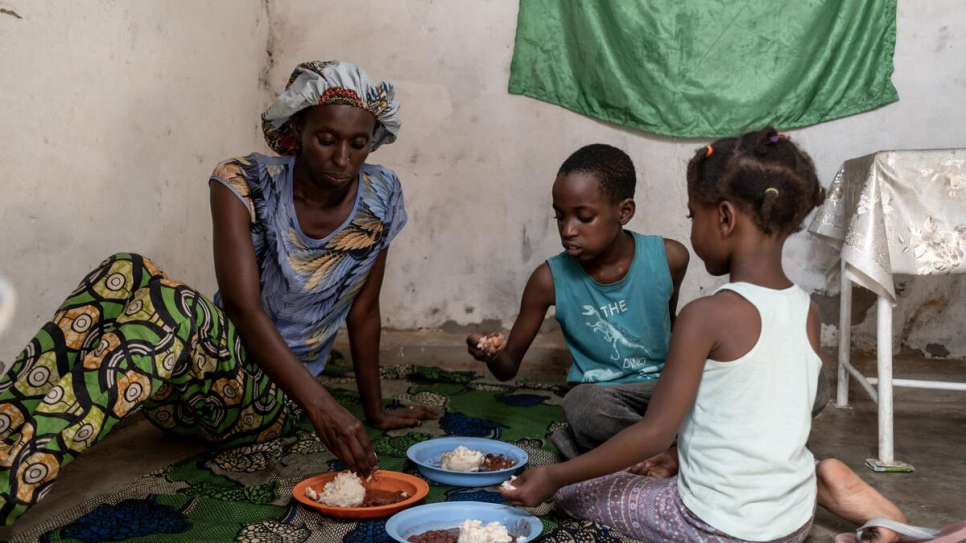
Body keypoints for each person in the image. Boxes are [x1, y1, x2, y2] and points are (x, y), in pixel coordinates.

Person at [0, 60, 436, 526]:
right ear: (296, 130)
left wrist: (373, 409)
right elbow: (244, 310)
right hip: (191, 381)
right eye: (325, 139)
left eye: (359, 143)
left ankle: (8, 484)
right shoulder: (242, 181)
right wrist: (327, 408)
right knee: (125, 269)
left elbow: (364, 312)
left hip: (270, 405)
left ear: (374, 140)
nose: (343, 158)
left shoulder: (381, 195)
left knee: (177, 309)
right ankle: (6, 422)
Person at [500, 127, 906, 543]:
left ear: (725, 218)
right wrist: (676, 453)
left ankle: (656, 476)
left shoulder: (705, 315)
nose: (691, 229)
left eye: (694, 216)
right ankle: (819, 483)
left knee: (572, 494)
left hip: (716, 527)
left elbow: (652, 433)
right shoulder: (808, 311)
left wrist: (552, 477)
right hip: (793, 519)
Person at [466, 144, 689, 460]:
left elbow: (671, 327)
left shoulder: (669, 258)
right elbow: (507, 369)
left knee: (720, 389)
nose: (568, 230)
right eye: (560, 217)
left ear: (623, 211)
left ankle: (616, 455)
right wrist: (491, 354)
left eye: (584, 217)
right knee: (581, 404)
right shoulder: (548, 281)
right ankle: (671, 452)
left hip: (665, 390)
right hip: (604, 398)